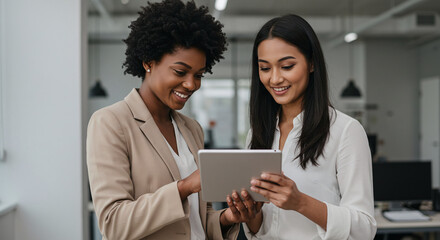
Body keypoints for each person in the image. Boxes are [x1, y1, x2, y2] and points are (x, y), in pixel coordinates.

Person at [86, 0, 256, 239]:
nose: (191, 84)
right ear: (148, 62)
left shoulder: (191, 129)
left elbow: (198, 218)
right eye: (180, 72)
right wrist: (185, 187)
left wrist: (228, 218)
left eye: (198, 75)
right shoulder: (111, 123)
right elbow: (113, 223)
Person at [241, 14, 377, 239]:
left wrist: (300, 202)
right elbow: (263, 229)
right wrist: (251, 214)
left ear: (312, 63)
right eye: (265, 68)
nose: (274, 79)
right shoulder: (258, 133)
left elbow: (364, 229)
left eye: (286, 66)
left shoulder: (345, 131)